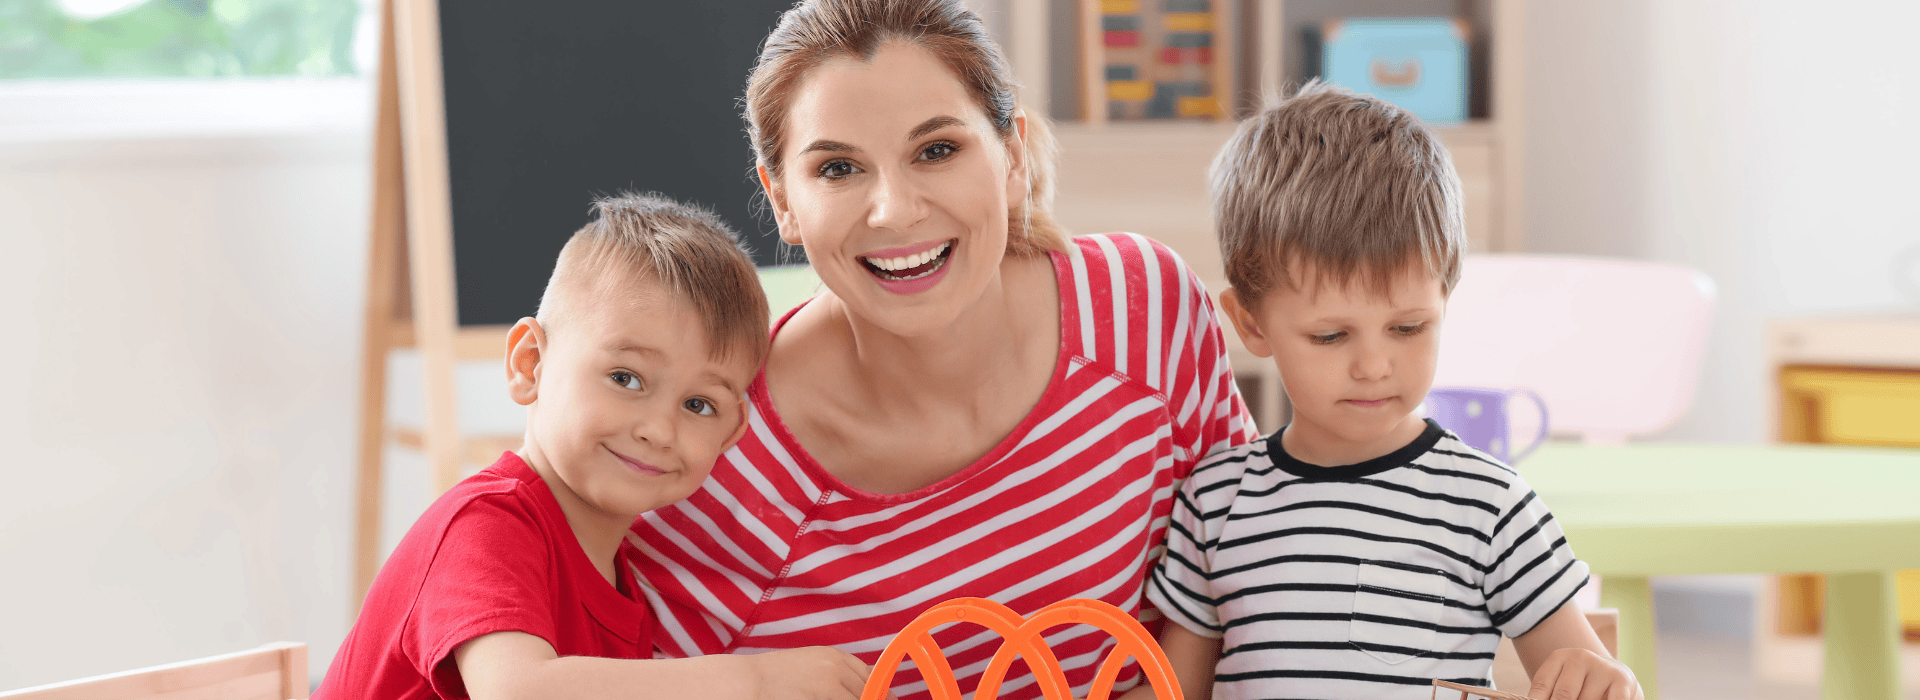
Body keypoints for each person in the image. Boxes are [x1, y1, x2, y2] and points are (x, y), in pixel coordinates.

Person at [624, 1, 1255, 698]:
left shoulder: (1145, 317)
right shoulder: (718, 460)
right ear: (783, 202)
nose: (894, 210)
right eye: (838, 169)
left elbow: (1243, 566)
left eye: (937, 150)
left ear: (1011, 157)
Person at [1125, 81, 1643, 700]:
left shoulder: (1490, 504)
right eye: (1330, 336)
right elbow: (1171, 689)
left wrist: (1607, 685)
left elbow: (1582, 675)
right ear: (1252, 324)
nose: (1374, 365)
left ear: (1444, 303)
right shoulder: (1215, 503)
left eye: (1408, 327)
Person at [316, 193, 869, 700]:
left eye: (699, 405)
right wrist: (755, 680)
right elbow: (519, 692)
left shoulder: (624, 585)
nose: (658, 429)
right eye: (626, 378)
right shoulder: (486, 525)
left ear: (731, 433)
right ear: (529, 364)